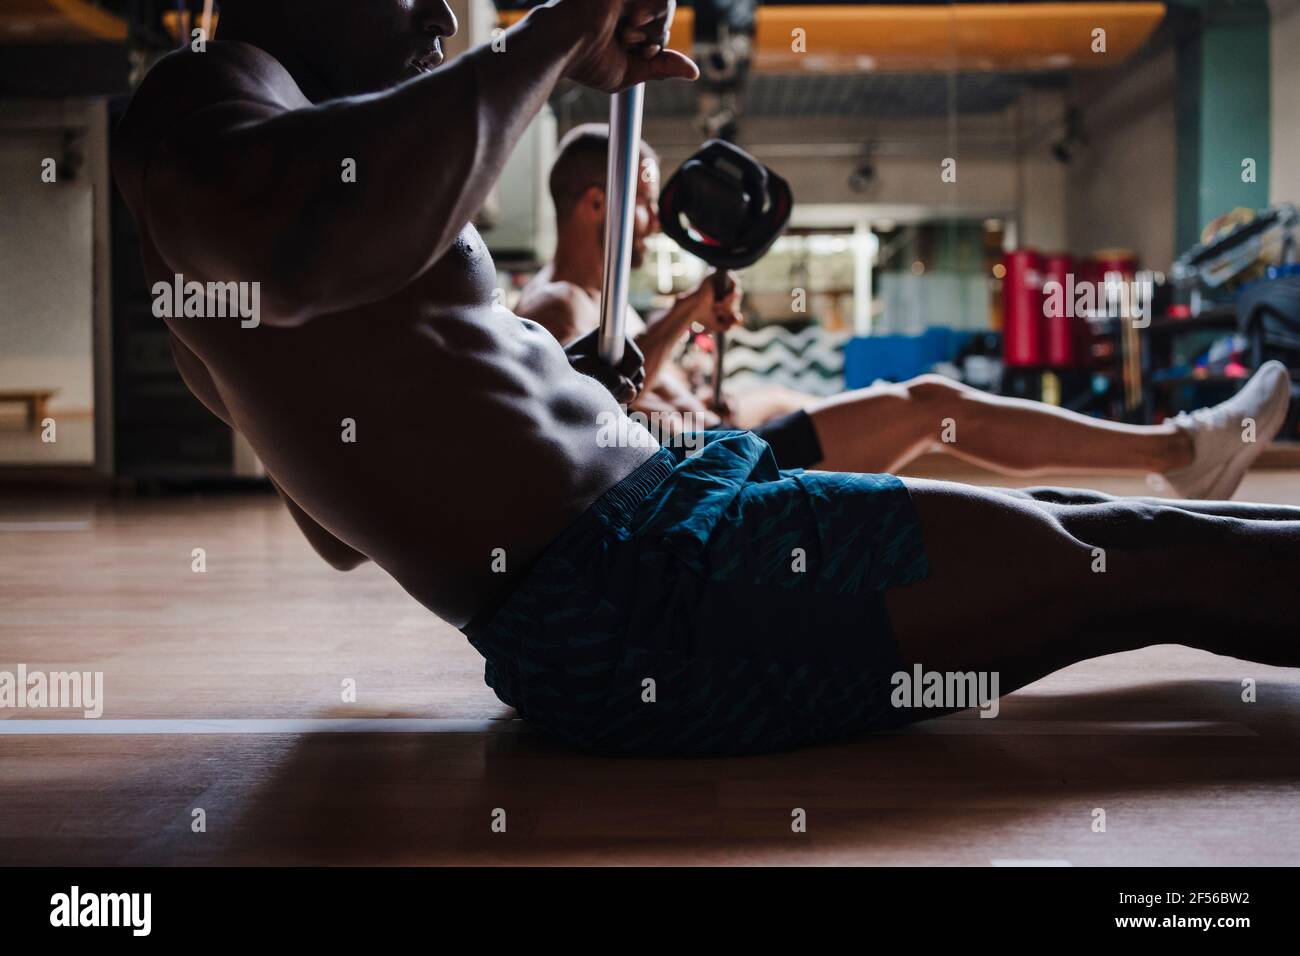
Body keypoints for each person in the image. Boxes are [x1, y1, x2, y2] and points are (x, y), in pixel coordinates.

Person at [114, 0, 1300, 758]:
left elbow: (339, 533)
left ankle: (1184, 451)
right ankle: (1182, 455)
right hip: (641, 583)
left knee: (1112, 541)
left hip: (669, 519)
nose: (432, 10)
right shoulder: (198, 102)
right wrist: (546, 39)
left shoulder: (217, 285)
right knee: (1134, 556)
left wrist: (560, 389)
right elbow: (315, 239)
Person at [517, 124, 1292, 500]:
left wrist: (695, 337)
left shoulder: (606, 303)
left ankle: (1177, 454)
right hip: (712, 485)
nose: (652, 227)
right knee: (929, 408)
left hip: (729, 456)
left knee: (898, 408)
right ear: (597, 204)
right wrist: (688, 308)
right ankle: (1180, 452)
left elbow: (652, 393)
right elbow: (583, 409)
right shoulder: (555, 301)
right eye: (645, 207)